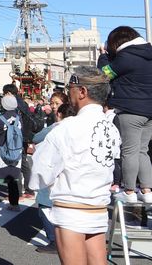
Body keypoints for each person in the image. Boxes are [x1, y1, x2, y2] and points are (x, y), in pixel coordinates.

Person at [29, 67, 121, 264]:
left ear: (82, 92)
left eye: (71, 87)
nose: (69, 91)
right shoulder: (111, 128)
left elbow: (40, 174)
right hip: (98, 206)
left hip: (70, 208)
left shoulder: (66, 128)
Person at [97, 26, 152, 203]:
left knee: (129, 151)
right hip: (149, 111)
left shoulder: (127, 57)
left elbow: (104, 74)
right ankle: (146, 190)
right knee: (143, 151)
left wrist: (103, 55)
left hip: (130, 110)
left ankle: (129, 191)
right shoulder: (148, 53)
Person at [31, 102, 77, 254]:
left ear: (59, 114)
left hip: (54, 172)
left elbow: (37, 138)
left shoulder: (56, 128)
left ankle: (54, 241)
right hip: (74, 175)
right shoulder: (80, 128)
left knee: (45, 206)